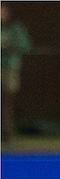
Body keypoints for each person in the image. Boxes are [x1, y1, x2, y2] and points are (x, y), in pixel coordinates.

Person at [1, 3, 31, 144]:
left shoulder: (15, 29)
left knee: (7, 103)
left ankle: (7, 134)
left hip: (9, 68)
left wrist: (9, 46)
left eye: (3, 12)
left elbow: (25, 46)